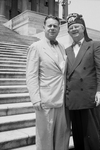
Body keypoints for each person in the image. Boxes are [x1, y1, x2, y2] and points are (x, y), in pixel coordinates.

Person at [26, 15, 70, 150]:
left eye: (55, 26)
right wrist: (35, 99)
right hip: (45, 101)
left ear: (58, 29)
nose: (52, 28)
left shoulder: (62, 47)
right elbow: (31, 75)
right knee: (45, 139)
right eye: (49, 25)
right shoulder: (36, 47)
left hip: (62, 101)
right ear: (44, 27)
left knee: (62, 137)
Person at [65, 13, 100, 150]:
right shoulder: (66, 50)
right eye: (71, 27)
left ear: (83, 28)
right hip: (73, 100)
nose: (74, 29)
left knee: (91, 138)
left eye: (76, 26)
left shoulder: (94, 45)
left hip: (90, 99)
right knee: (78, 138)